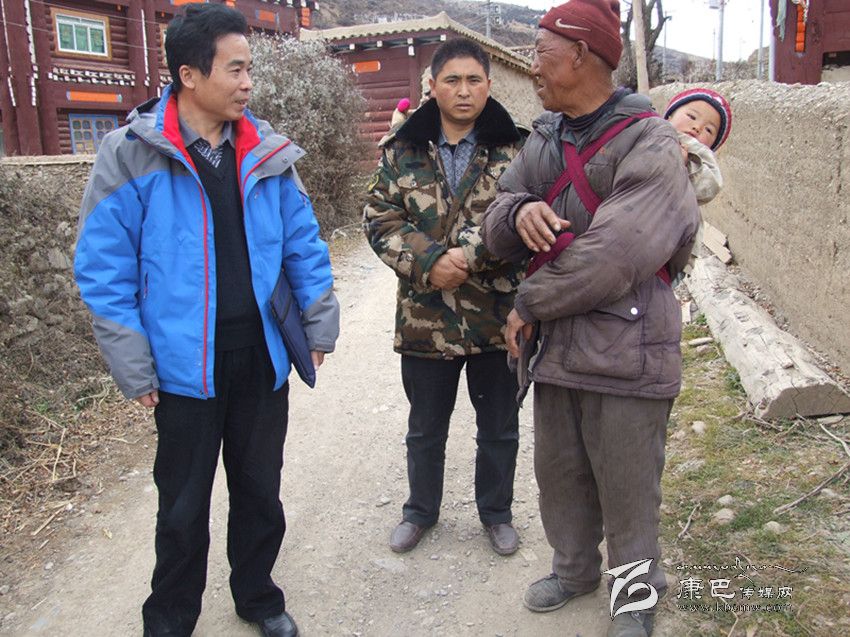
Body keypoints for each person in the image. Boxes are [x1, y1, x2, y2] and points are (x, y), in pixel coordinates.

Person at [74, 4, 339, 636]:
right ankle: (170, 620)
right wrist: (133, 362)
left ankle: (259, 598)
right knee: (182, 507)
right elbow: (103, 269)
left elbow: (303, 243)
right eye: (236, 69)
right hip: (182, 366)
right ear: (189, 75)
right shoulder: (131, 154)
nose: (248, 83)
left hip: (261, 357)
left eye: (250, 69)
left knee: (260, 492)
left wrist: (318, 322)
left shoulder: (265, 151)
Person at [480, 2, 700, 636]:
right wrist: (518, 210)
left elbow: (614, 256)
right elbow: (495, 222)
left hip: (629, 346)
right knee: (560, 475)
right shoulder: (545, 137)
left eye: (542, 54)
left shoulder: (651, 142)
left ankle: (634, 598)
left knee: (628, 486)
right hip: (559, 349)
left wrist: (528, 302)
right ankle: (574, 570)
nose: (532, 67)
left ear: (581, 55)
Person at [363, 38, 526, 557]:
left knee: (498, 427)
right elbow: (379, 219)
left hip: (497, 316)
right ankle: (420, 512)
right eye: (451, 80)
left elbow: (524, 216)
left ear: (489, 86)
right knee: (425, 428)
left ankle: (496, 513)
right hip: (425, 317)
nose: (463, 90)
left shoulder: (517, 149)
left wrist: (469, 257)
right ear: (432, 86)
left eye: (473, 80)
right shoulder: (402, 149)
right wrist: (430, 261)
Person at [664, 87, 732, 205]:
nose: (697, 127)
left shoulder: (701, 161)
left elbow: (708, 188)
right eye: (692, 117)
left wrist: (685, 165)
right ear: (669, 117)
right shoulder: (651, 131)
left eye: (708, 130)